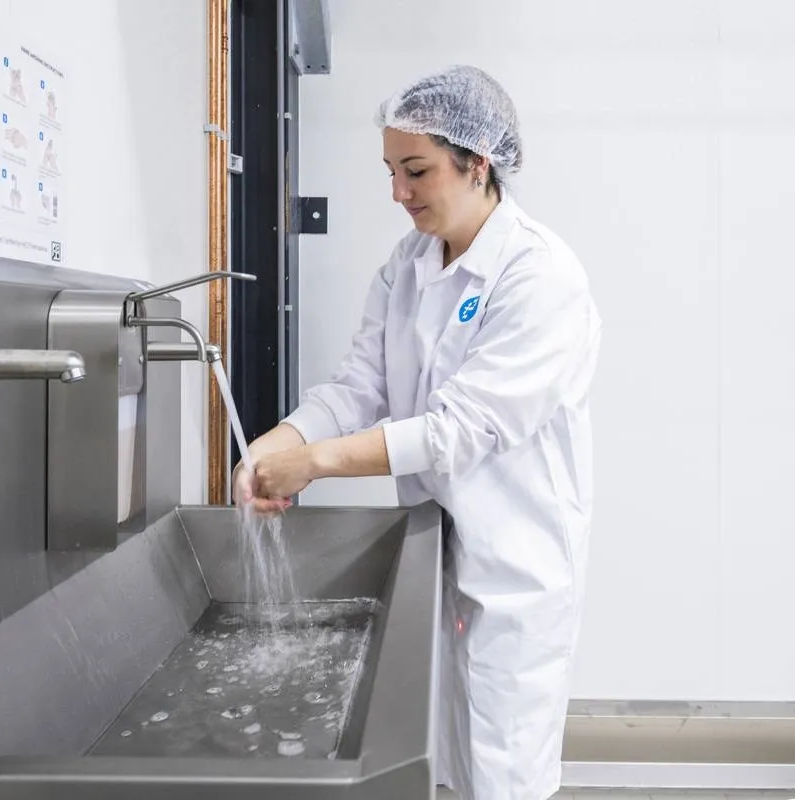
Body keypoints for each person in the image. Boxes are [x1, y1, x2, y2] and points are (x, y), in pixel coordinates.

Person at [233, 65, 602, 800]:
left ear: (478, 163)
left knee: (501, 778)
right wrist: (281, 440)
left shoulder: (539, 277)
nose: (398, 192)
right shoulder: (407, 265)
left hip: (513, 570)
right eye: (391, 171)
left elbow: (458, 431)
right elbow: (359, 385)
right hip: (435, 554)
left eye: (417, 170)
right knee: (439, 767)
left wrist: (316, 463)